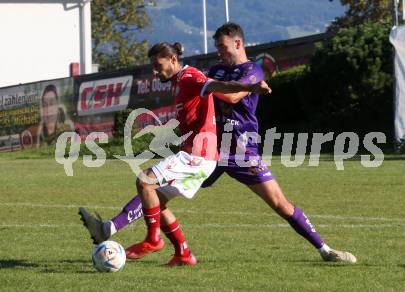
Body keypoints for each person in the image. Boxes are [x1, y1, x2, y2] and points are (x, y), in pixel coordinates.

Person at [80, 23, 356, 264]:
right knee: (155, 193)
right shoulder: (214, 70)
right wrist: (203, 87)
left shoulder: (253, 71)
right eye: (217, 48)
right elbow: (203, 91)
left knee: (280, 204)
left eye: (223, 47)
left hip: (240, 151)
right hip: (208, 150)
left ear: (238, 43)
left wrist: (211, 85)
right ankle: (121, 231)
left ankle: (325, 249)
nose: (220, 53)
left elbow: (233, 98)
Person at [80, 41, 271, 267]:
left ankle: (153, 239)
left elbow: (217, 86)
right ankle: (184, 254)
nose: (154, 71)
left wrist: (250, 87)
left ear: (172, 60)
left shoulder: (190, 77)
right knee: (154, 201)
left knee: (144, 182)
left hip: (198, 156)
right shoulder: (178, 81)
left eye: (157, 65)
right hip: (198, 156)